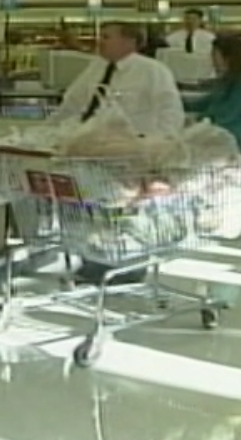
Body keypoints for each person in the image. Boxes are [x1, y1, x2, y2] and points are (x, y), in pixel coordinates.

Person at [51, 21, 185, 285]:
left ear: (130, 41)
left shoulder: (153, 71)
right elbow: (72, 105)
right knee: (91, 209)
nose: (100, 40)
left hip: (130, 158)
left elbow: (170, 113)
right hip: (90, 155)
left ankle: (129, 262)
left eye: (107, 36)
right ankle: (95, 261)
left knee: (126, 213)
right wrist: (50, 134)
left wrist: (156, 150)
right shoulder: (95, 69)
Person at [185, 35, 241, 158]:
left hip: (234, 136)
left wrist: (200, 119)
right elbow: (207, 102)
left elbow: (230, 110)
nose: (212, 61)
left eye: (215, 56)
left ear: (228, 57)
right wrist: (178, 103)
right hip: (221, 134)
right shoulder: (228, 80)